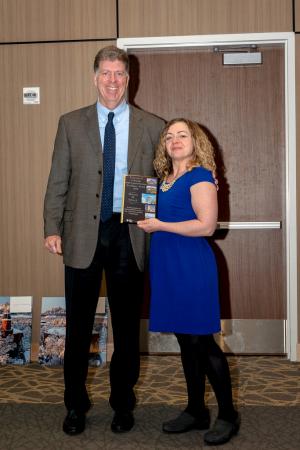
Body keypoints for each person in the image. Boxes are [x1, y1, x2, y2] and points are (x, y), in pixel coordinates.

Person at [43, 45, 164, 435]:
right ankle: (75, 405)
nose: (113, 81)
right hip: (82, 234)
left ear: (130, 79)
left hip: (129, 233)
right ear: (95, 78)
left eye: (120, 74)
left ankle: (122, 405)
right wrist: (51, 226)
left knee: (127, 328)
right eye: (106, 73)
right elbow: (58, 180)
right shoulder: (70, 123)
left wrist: (200, 181)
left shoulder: (151, 125)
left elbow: (168, 179)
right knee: (78, 327)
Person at [137, 118, 240, 446]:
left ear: (196, 141)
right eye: (169, 136)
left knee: (203, 343)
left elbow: (206, 226)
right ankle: (196, 410)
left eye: (183, 135)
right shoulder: (163, 180)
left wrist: (160, 225)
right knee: (186, 342)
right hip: (167, 266)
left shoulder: (200, 177)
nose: (175, 140)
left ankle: (227, 414)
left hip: (192, 267)